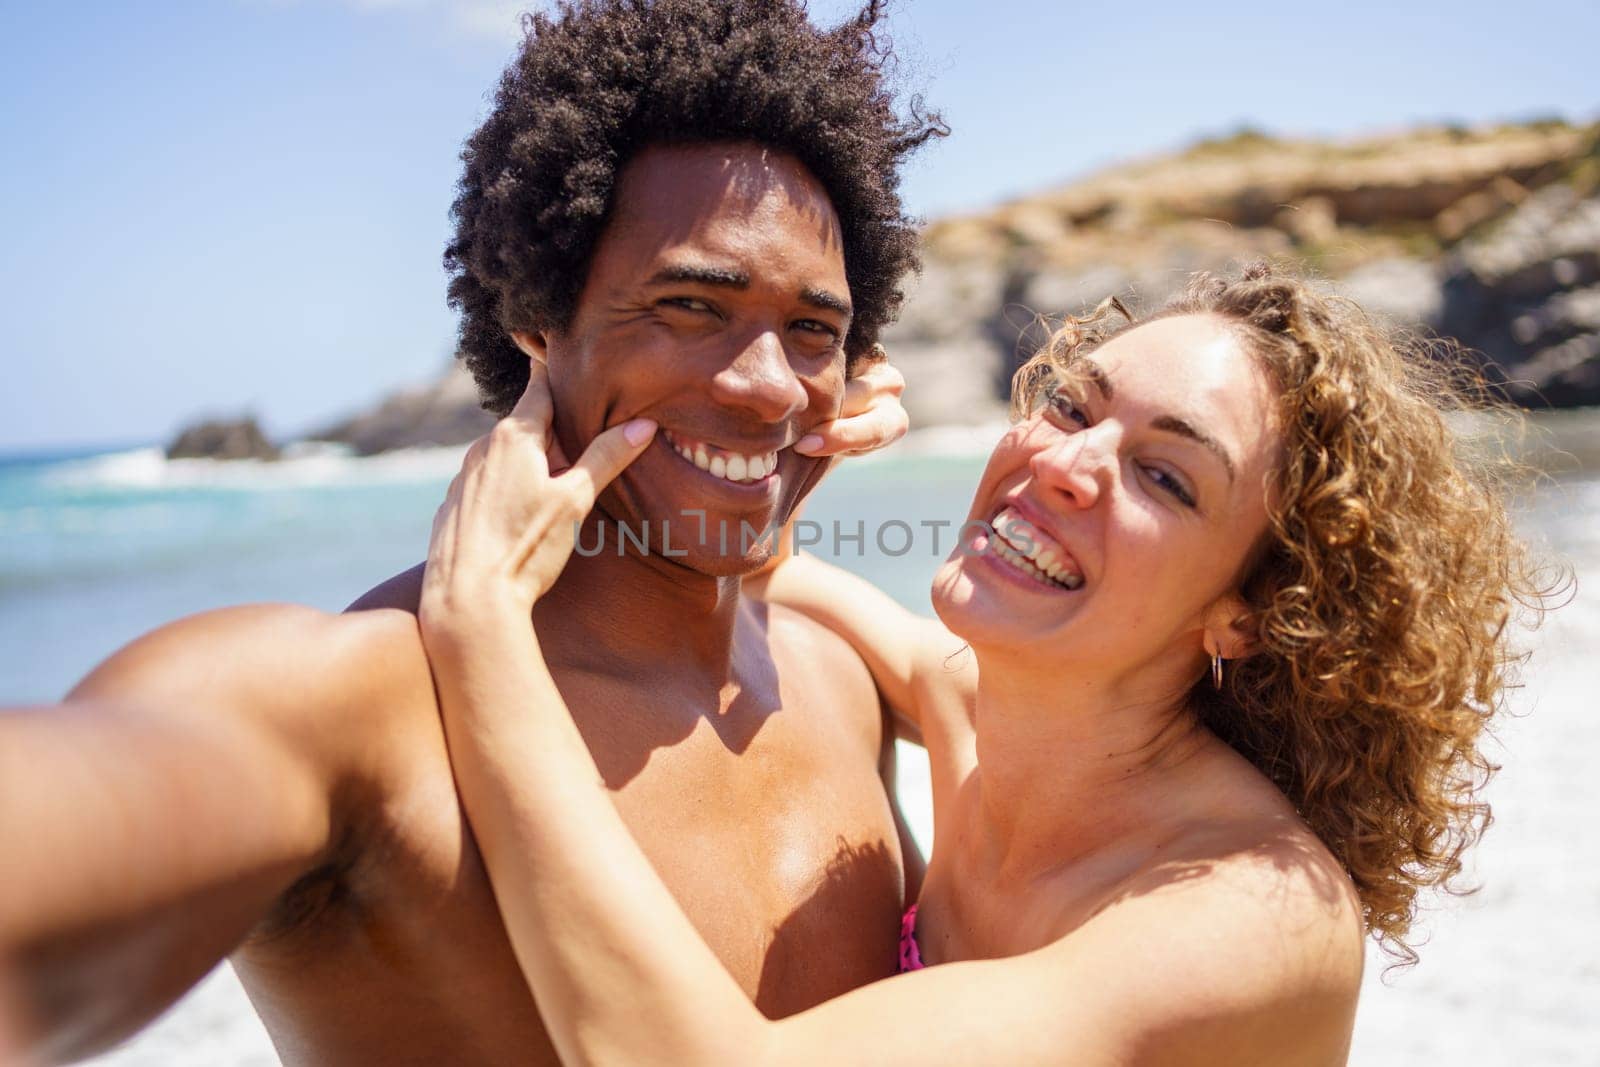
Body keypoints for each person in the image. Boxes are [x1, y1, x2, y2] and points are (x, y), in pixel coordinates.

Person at [0, 1, 941, 1061]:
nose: (768, 388)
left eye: (811, 331)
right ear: (537, 323)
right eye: (688, 307)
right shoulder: (366, 708)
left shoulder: (842, 677)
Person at [420, 265, 1553, 1064]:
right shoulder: (973, 711)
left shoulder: (1249, 919)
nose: (1064, 463)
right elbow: (753, 569)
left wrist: (477, 626)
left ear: (1249, 613)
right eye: (1070, 406)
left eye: (1166, 478)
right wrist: (769, 442)